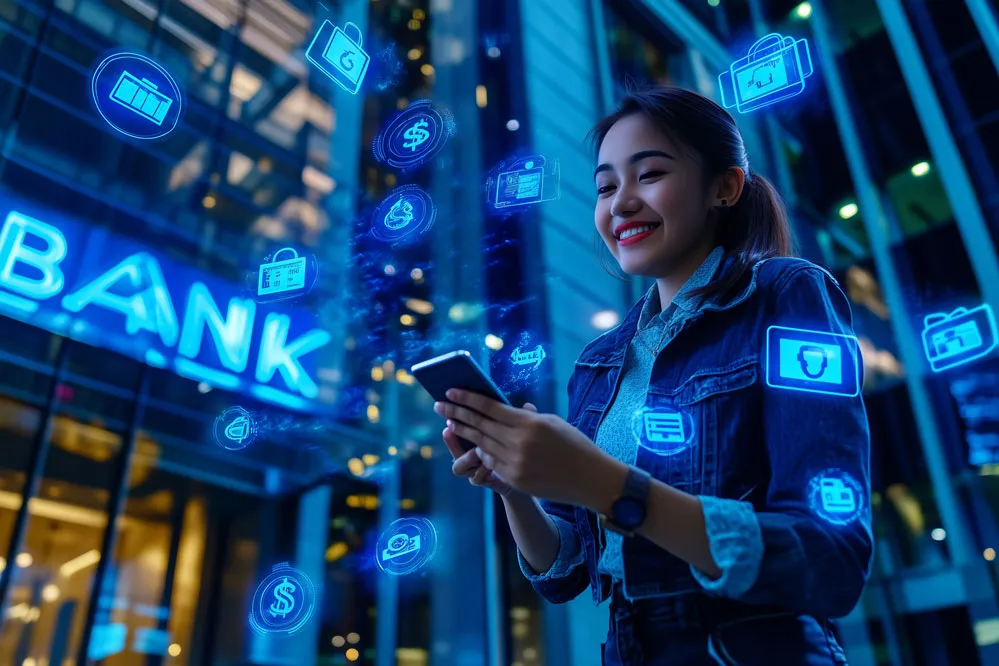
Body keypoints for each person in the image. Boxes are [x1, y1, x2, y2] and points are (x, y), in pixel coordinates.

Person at [433, 86, 872, 665]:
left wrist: (605, 485)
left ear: (725, 186)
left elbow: (830, 557)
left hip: (747, 646)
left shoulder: (786, 293)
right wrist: (515, 489)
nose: (620, 204)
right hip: (628, 647)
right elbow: (563, 573)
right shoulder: (599, 361)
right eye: (606, 186)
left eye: (650, 174)